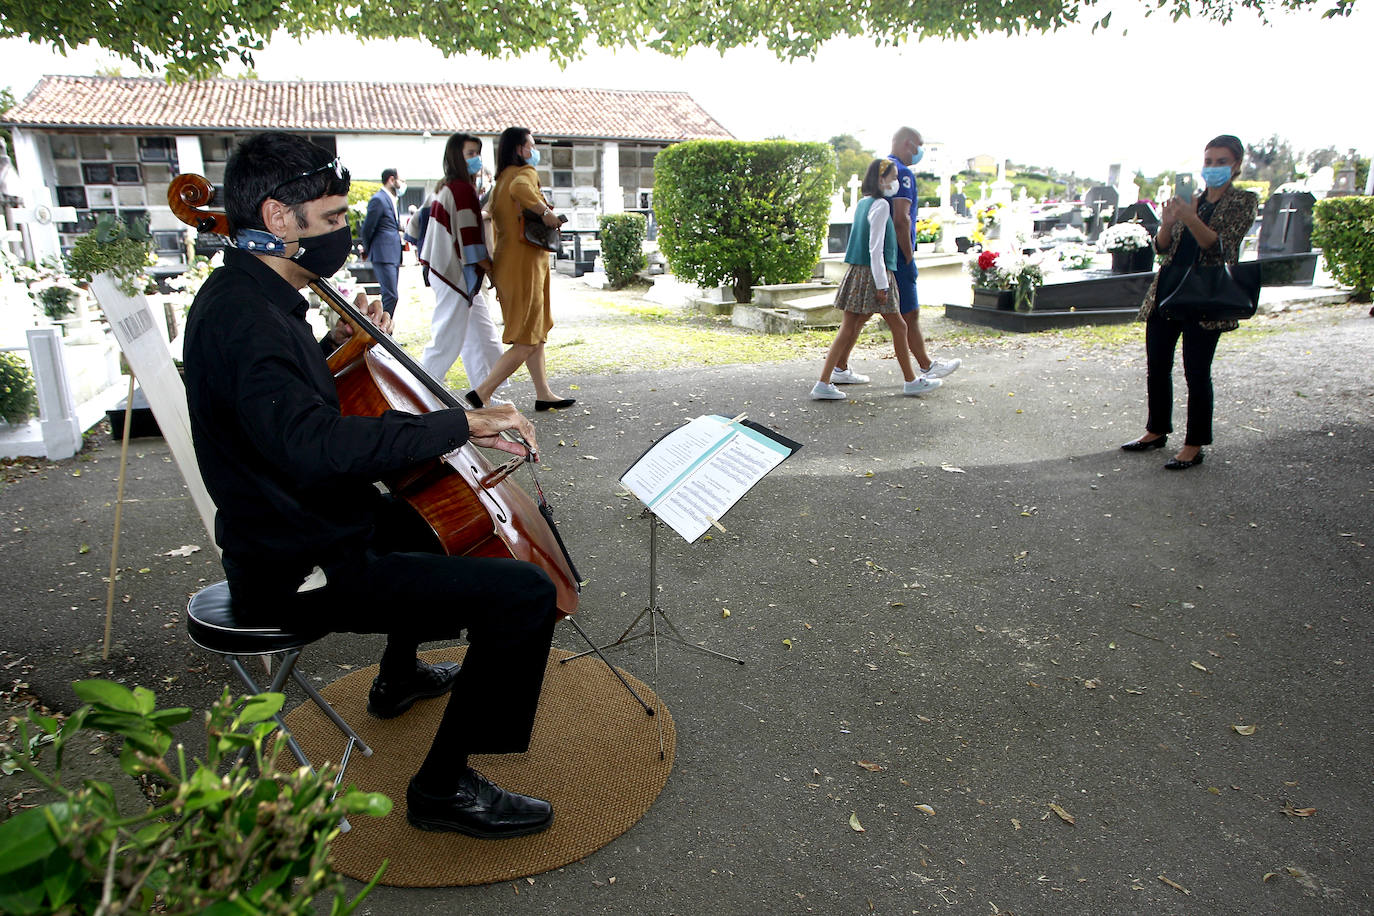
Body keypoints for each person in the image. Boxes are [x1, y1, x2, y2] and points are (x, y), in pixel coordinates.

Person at [183, 132, 558, 839]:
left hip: (302, 522)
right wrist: (462, 425)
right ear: (278, 218)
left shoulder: (253, 294)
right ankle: (443, 788)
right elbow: (315, 446)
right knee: (525, 597)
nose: (342, 236)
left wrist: (335, 350)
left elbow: (278, 411)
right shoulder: (248, 319)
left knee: (430, 520)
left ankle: (397, 677)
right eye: (330, 222)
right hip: (300, 562)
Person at [1121, 134, 1259, 471]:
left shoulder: (1242, 201)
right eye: (1208, 161)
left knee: (1196, 371)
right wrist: (1168, 223)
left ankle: (1194, 444)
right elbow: (1163, 247)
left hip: (1205, 294)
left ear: (1236, 165)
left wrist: (1192, 217)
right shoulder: (1190, 200)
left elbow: (1218, 246)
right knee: (1157, 364)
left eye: (1221, 162)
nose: (1212, 168)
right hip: (1169, 289)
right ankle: (1156, 430)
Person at [469, 127, 575, 412]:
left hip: (509, 265)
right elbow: (522, 190)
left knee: (535, 331)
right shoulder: (522, 174)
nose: (534, 150)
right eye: (531, 145)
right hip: (525, 265)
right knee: (527, 338)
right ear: (519, 149)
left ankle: (543, 393)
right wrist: (546, 213)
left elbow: (490, 213)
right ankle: (482, 393)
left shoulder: (501, 178)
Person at [811, 159, 927, 400]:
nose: (896, 182)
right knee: (899, 326)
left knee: (849, 327)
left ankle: (824, 382)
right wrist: (882, 284)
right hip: (874, 274)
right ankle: (911, 380)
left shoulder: (864, 203)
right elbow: (876, 248)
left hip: (858, 272)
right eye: (893, 177)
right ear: (881, 179)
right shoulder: (881, 205)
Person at [418, 134, 510, 406]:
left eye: (477, 153)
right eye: (469, 154)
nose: (475, 159)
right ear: (456, 157)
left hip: (445, 270)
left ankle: (483, 394)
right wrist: (492, 270)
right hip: (453, 274)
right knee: (447, 337)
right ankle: (421, 394)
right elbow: (471, 244)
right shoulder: (462, 190)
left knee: (480, 335)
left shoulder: (445, 187)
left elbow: (416, 226)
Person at [887, 126, 961, 389]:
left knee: (859, 316)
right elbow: (901, 219)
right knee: (910, 313)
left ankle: (837, 368)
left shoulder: (882, 170)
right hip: (897, 256)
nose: (919, 153)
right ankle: (926, 366)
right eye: (918, 147)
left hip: (883, 254)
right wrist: (908, 256)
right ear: (908, 144)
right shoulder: (902, 174)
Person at [360, 167, 404, 316]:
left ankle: (386, 332)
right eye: (401, 180)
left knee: (391, 296)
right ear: (391, 180)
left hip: (392, 254)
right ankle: (382, 332)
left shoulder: (392, 199)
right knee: (391, 295)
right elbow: (367, 228)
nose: (403, 184)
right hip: (383, 253)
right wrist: (367, 249)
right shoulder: (378, 199)